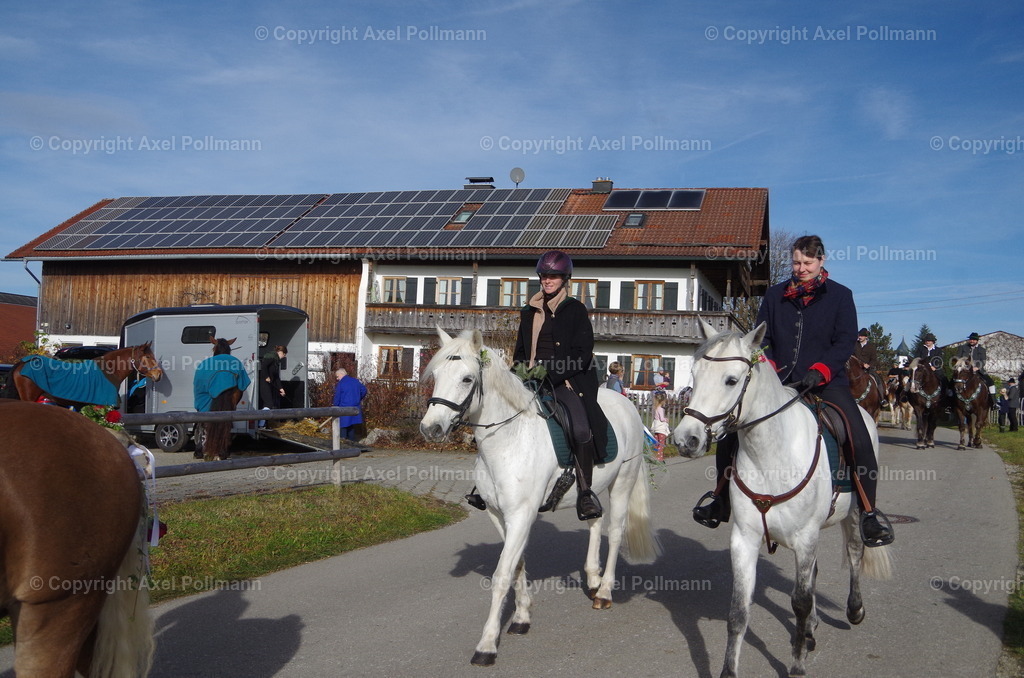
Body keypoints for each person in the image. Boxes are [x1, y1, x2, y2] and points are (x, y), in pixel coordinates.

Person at [691, 235, 895, 547]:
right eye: (796, 262)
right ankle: (721, 498)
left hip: (827, 384)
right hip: (781, 382)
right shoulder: (775, 296)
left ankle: (869, 511)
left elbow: (844, 342)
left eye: (807, 263)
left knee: (857, 434)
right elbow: (761, 340)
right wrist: (770, 367)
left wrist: (822, 370)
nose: (800, 268)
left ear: (821, 261)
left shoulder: (841, 296)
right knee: (732, 430)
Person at [513, 250, 609, 521]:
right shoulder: (528, 311)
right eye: (544, 275)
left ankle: (586, 492)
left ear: (565, 278)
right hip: (529, 379)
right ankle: (488, 485)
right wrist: (519, 373)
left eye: (553, 275)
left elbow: (582, 354)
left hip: (566, 381)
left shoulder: (576, 310)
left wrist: (551, 373)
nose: (547, 280)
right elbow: (520, 352)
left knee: (580, 428)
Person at [955, 332, 997, 409]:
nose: (972, 341)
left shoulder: (981, 349)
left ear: (977, 340)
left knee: (990, 382)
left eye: (974, 340)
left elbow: (983, 360)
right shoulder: (963, 348)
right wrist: (961, 365)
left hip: (977, 370)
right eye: (971, 339)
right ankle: (950, 404)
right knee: (953, 382)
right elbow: (958, 357)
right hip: (964, 370)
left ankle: (994, 403)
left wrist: (977, 367)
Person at [332, 366, 368, 442]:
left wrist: (335, 406)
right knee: (351, 426)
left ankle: (342, 443)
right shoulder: (356, 381)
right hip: (355, 407)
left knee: (343, 427)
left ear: (342, 374)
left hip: (344, 408)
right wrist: (358, 398)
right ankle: (351, 443)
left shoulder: (341, 384)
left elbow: (337, 396)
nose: (337, 378)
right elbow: (364, 390)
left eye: (337, 376)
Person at [853, 327, 886, 406]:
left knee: (877, 379)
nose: (859, 337)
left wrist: (869, 365)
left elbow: (874, 359)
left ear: (866, 337)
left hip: (867, 369)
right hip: (855, 367)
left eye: (861, 336)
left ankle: (882, 399)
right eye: (859, 335)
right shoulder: (854, 344)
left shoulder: (871, 346)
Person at [914, 333, 949, 400]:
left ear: (933, 341)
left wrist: (935, 367)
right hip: (922, 368)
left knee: (943, 378)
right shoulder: (920, 349)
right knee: (913, 377)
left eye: (929, 341)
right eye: (926, 340)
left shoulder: (938, 350)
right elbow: (916, 358)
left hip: (934, 368)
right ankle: (906, 392)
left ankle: (946, 393)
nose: (928, 342)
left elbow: (940, 359)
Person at [259, 345, 288, 410]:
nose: (284, 356)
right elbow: (264, 366)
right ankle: (262, 419)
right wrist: (266, 376)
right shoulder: (271, 357)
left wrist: (280, 388)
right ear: (281, 352)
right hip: (264, 383)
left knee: (268, 403)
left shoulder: (276, 361)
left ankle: (263, 419)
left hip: (269, 383)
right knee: (269, 403)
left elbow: (276, 376)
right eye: (284, 354)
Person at [651, 390, 671, 462]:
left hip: (656, 427)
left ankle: (654, 456)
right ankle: (659, 458)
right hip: (661, 428)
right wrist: (666, 419)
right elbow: (662, 419)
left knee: (656, 443)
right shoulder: (661, 409)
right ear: (663, 400)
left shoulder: (656, 408)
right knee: (661, 443)